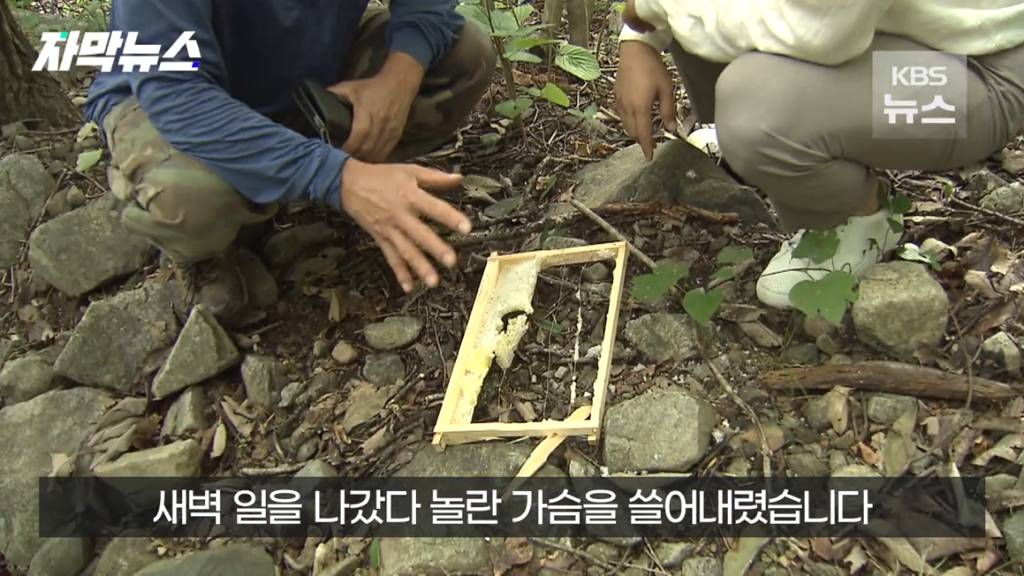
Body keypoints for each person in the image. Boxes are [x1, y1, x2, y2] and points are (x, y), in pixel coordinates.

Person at [85, 0, 496, 323]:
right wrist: (337, 177)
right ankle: (209, 248)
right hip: (169, 99)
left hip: (305, 73)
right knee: (191, 197)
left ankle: (306, 170)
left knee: (464, 56)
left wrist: (399, 78)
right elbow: (177, 94)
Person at [614, 0, 1024, 308]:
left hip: (983, 67)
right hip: (898, 27)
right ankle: (804, 136)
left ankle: (857, 215)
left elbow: (819, 35)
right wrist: (640, 38)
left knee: (757, 110)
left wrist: (655, 7)